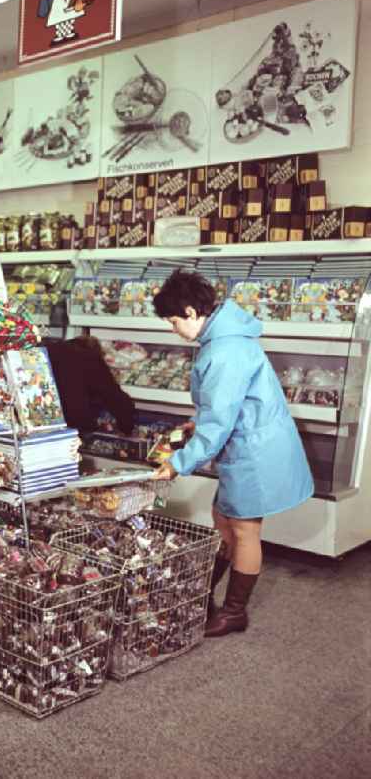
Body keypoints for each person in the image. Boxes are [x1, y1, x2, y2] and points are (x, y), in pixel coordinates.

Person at [151, 270, 313, 637]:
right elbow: (224, 408)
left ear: (192, 312)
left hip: (252, 453)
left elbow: (221, 420)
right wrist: (198, 424)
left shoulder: (224, 350)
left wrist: (177, 464)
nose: (172, 328)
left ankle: (235, 612)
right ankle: (201, 596)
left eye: (173, 320)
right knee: (224, 522)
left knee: (243, 529)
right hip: (245, 446)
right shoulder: (224, 339)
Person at [44, 336, 135, 435]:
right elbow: (114, 397)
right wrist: (127, 428)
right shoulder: (90, 357)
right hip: (75, 423)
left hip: (46, 418)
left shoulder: (52, 349)